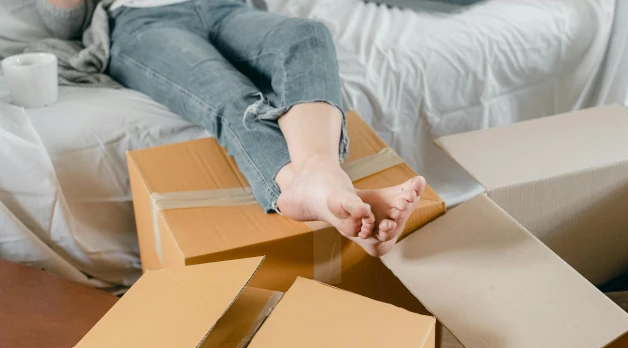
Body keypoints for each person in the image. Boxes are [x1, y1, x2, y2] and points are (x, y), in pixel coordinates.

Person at [36, 0, 426, 257]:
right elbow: (64, 22)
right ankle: (322, 192)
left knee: (308, 36)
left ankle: (321, 177)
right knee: (228, 94)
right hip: (143, 21)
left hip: (224, 7)